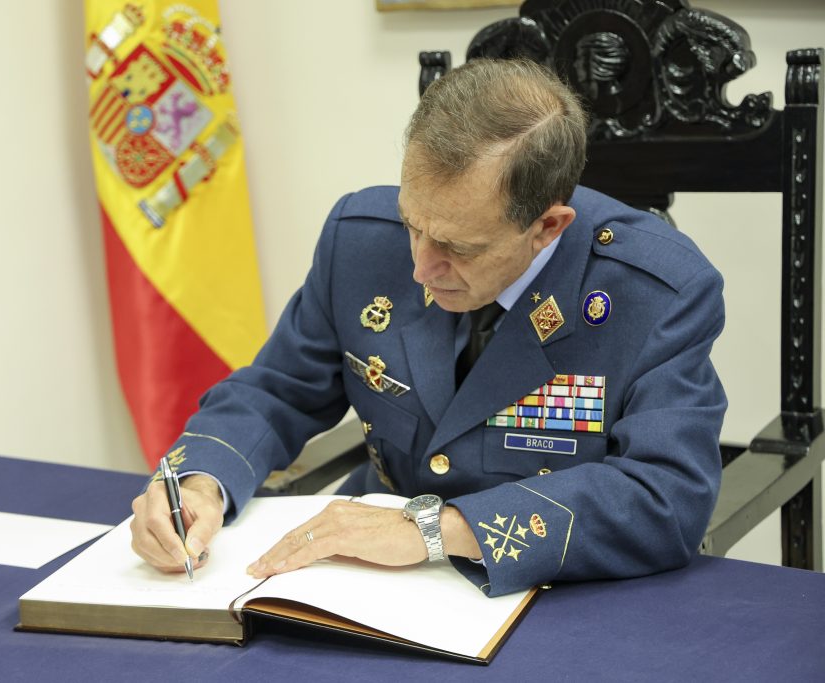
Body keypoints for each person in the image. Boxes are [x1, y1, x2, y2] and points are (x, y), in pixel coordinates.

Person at [129, 58, 727, 597]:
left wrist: (437, 530)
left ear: (548, 226)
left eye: (458, 248)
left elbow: (665, 498)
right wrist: (201, 481)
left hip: (547, 592)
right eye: (412, 224)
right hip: (365, 585)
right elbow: (276, 391)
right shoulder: (359, 240)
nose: (419, 266)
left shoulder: (655, 293)